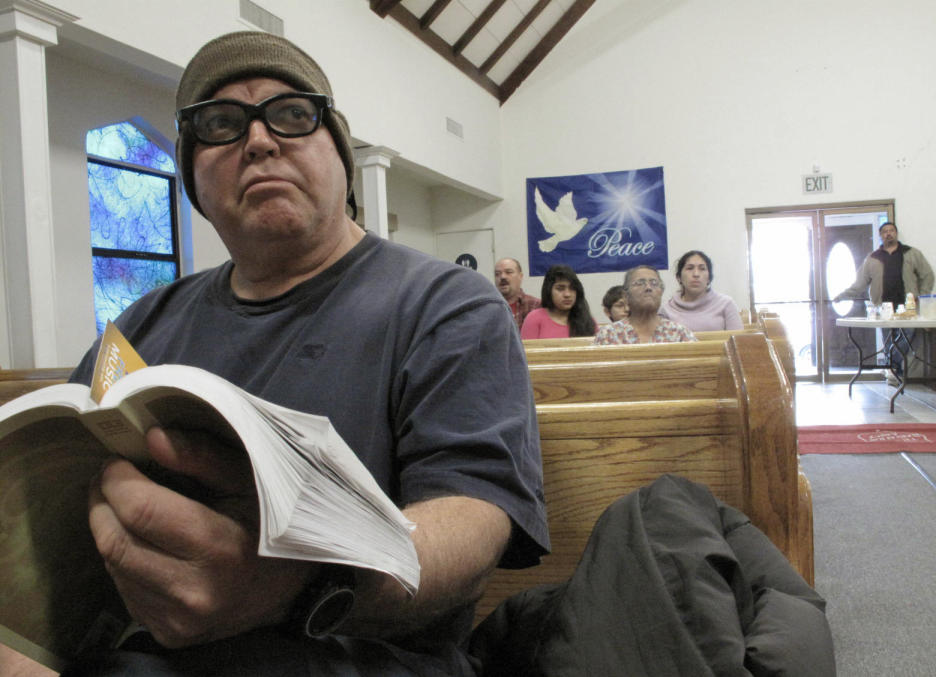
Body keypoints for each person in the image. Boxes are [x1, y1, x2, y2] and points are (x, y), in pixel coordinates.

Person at [52, 31, 548, 677]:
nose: (259, 140)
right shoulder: (147, 319)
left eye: (292, 113)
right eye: (221, 125)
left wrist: (299, 589)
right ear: (194, 179)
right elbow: (53, 483)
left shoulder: (445, 303)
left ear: (340, 155)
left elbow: (475, 516)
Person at [835, 221, 935, 381]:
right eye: (885, 231)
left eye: (891, 230)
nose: (888, 233)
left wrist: (922, 297)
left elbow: (927, 275)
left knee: (908, 335)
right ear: (881, 236)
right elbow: (860, 284)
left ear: (896, 233)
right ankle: (893, 371)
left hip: (907, 307)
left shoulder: (912, 253)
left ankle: (891, 366)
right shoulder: (873, 258)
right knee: (888, 340)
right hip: (883, 308)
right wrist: (842, 296)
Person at [594, 265, 696, 344]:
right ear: (626, 296)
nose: (648, 287)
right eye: (640, 283)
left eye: (654, 283)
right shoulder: (609, 335)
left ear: (661, 292)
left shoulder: (678, 333)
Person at [660, 250, 743, 331]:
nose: (696, 274)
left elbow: (738, 342)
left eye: (702, 269)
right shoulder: (666, 310)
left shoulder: (726, 304)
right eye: (690, 268)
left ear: (709, 278)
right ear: (679, 278)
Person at [520, 265, 596, 339]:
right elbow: (525, 351)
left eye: (572, 288)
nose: (567, 294)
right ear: (549, 291)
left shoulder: (588, 321)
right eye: (560, 289)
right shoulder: (534, 318)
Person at [494, 257, 541, 330]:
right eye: (497, 274)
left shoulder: (535, 305)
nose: (502, 277)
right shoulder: (488, 307)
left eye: (508, 272)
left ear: (520, 276)